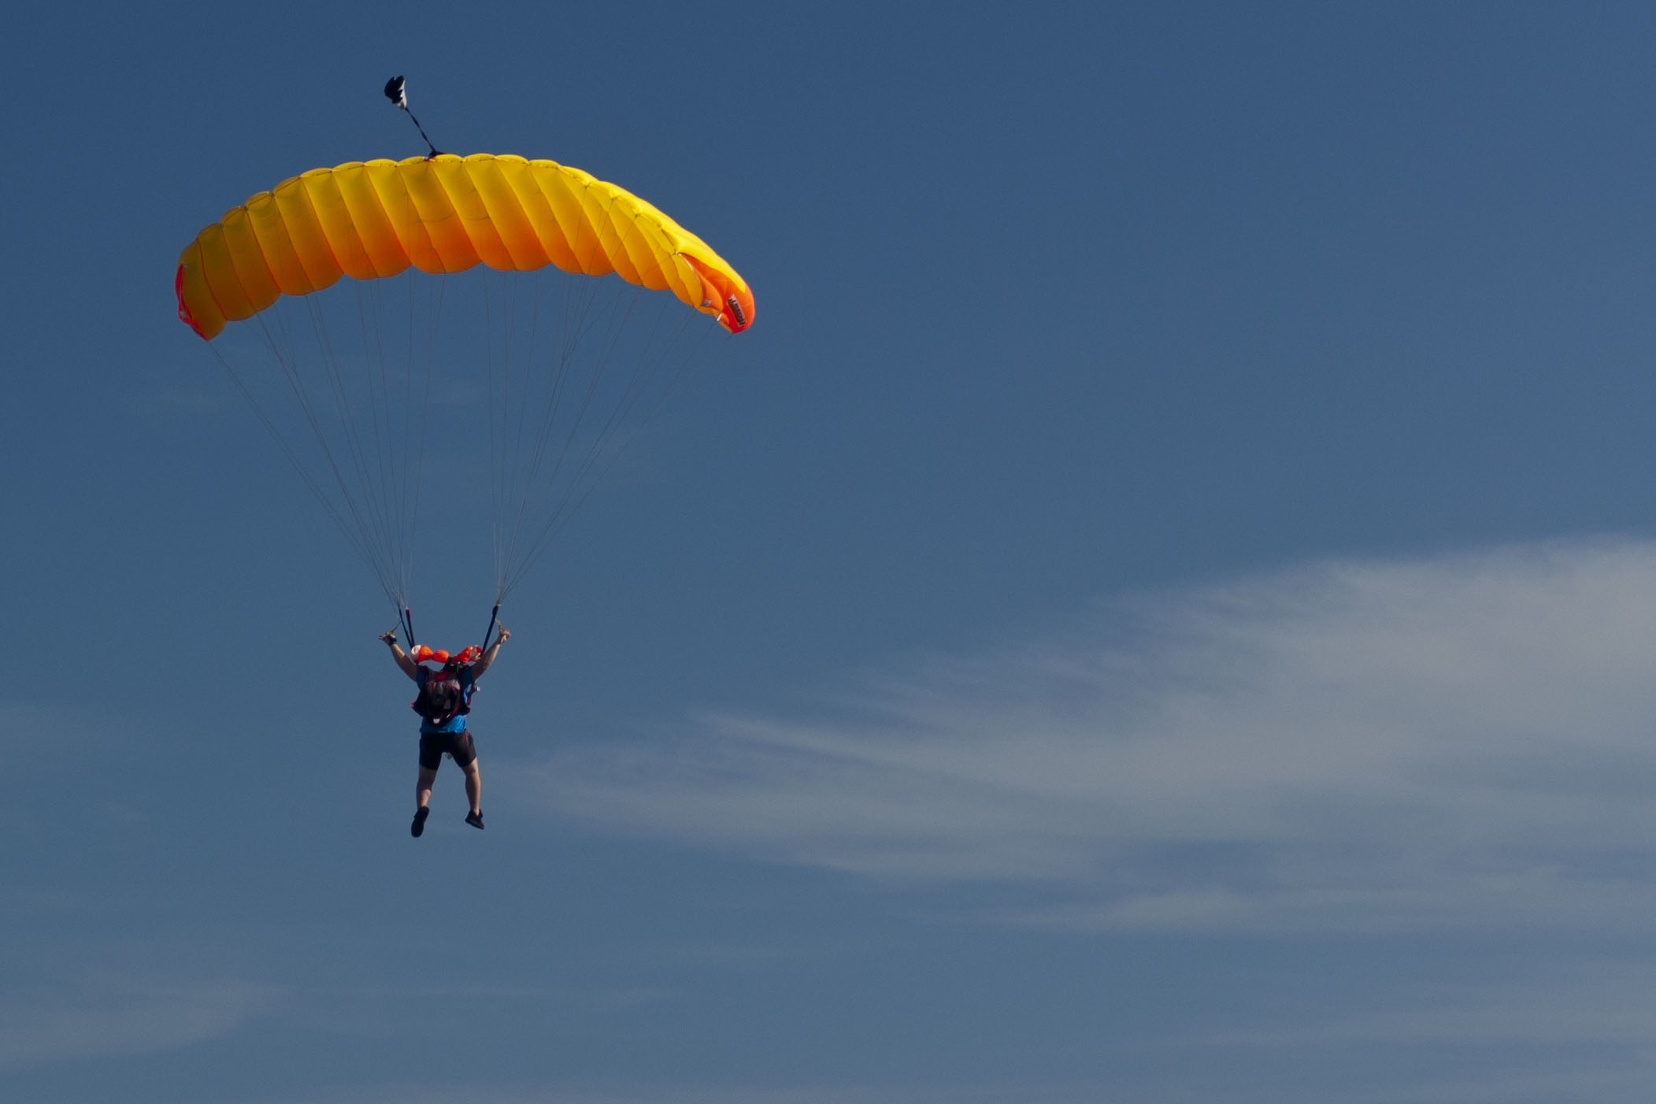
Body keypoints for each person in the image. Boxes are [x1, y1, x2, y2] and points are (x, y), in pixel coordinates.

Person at [379, 626, 510, 837]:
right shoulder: (464, 676)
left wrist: (392, 643)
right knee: (472, 772)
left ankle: (422, 808)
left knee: (425, 780)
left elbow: (405, 664)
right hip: (457, 736)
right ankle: (474, 812)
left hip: (430, 736)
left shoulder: (427, 677)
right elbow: (484, 664)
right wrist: (499, 641)